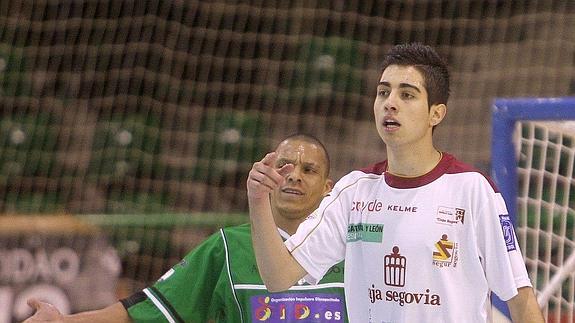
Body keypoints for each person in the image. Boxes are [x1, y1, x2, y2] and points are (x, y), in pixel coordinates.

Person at [247, 43, 545, 322]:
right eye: (382, 92)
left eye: (407, 94)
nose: (390, 104)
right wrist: (259, 200)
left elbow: (519, 297)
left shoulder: (472, 189)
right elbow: (277, 276)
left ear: (436, 113)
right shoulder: (355, 191)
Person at [24, 134, 347, 322]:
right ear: (265, 175)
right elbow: (148, 309)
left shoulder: (351, 249)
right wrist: (65, 321)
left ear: (327, 187)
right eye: (285, 166)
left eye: (309, 170)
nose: (294, 175)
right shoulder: (226, 247)